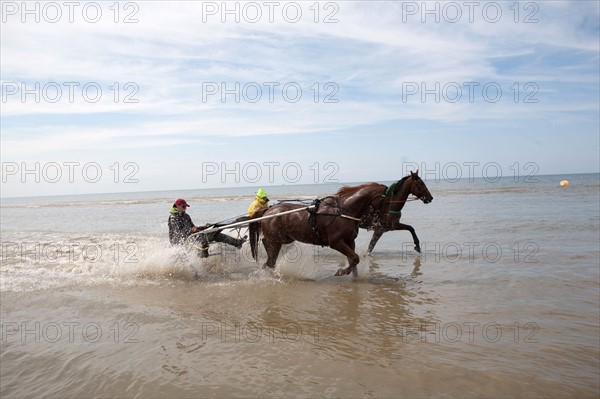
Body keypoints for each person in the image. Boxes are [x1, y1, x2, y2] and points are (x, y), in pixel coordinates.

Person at [168, 198, 245, 258]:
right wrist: (191, 230)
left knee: (215, 233)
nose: (185, 209)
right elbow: (178, 232)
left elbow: (193, 228)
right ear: (177, 205)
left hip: (191, 237)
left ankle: (237, 243)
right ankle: (202, 253)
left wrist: (204, 227)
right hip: (181, 241)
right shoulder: (173, 217)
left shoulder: (186, 216)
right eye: (184, 207)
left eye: (186, 207)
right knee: (209, 236)